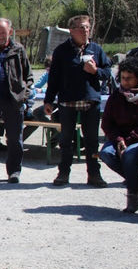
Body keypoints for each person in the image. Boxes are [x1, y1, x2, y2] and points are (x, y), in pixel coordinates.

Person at [44, 15, 112, 187]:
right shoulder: (61, 51)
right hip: (67, 102)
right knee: (66, 140)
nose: (85, 31)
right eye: (81, 28)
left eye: (87, 27)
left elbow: (107, 73)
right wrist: (49, 100)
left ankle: (94, 175)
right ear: (72, 30)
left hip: (91, 102)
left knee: (92, 141)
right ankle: (63, 173)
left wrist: (95, 71)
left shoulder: (96, 49)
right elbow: (54, 78)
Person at [0, 18, 34, 184]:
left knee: (15, 139)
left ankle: (14, 171)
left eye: (4, 32)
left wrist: (24, 95)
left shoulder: (18, 49)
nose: (1, 35)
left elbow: (28, 76)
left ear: (10, 31)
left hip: (13, 101)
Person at [99, 57, 138, 213]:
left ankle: (132, 192)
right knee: (106, 153)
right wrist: (119, 140)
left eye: (129, 78)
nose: (125, 81)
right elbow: (106, 123)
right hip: (119, 138)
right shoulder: (116, 96)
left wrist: (129, 140)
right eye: (123, 77)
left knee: (130, 154)